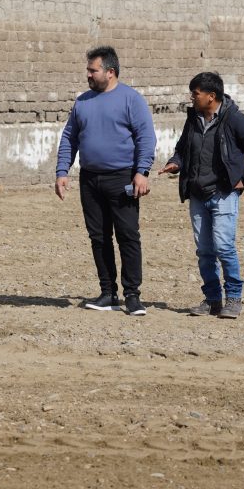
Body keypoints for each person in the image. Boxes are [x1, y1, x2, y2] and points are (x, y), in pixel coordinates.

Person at [157, 72, 244, 320]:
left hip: (223, 195)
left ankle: (233, 298)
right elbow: (183, 149)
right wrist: (175, 162)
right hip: (198, 195)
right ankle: (212, 299)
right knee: (205, 251)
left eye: (195, 93)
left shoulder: (234, 120)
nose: (192, 97)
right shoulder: (193, 119)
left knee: (224, 247)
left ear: (211, 96)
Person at [55, 46, 156, 316]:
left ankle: (132, 295)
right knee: (98, 237)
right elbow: (69, 138)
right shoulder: (82, 102)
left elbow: (146, 137)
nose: (88, 74)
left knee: (128, 236)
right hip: (90, 179)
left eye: (93, 70)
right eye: (88, 70)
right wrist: (62, 171)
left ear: (110, 72)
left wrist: (141, 172)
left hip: (122, 177)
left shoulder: (131, 100)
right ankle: (108, 293)